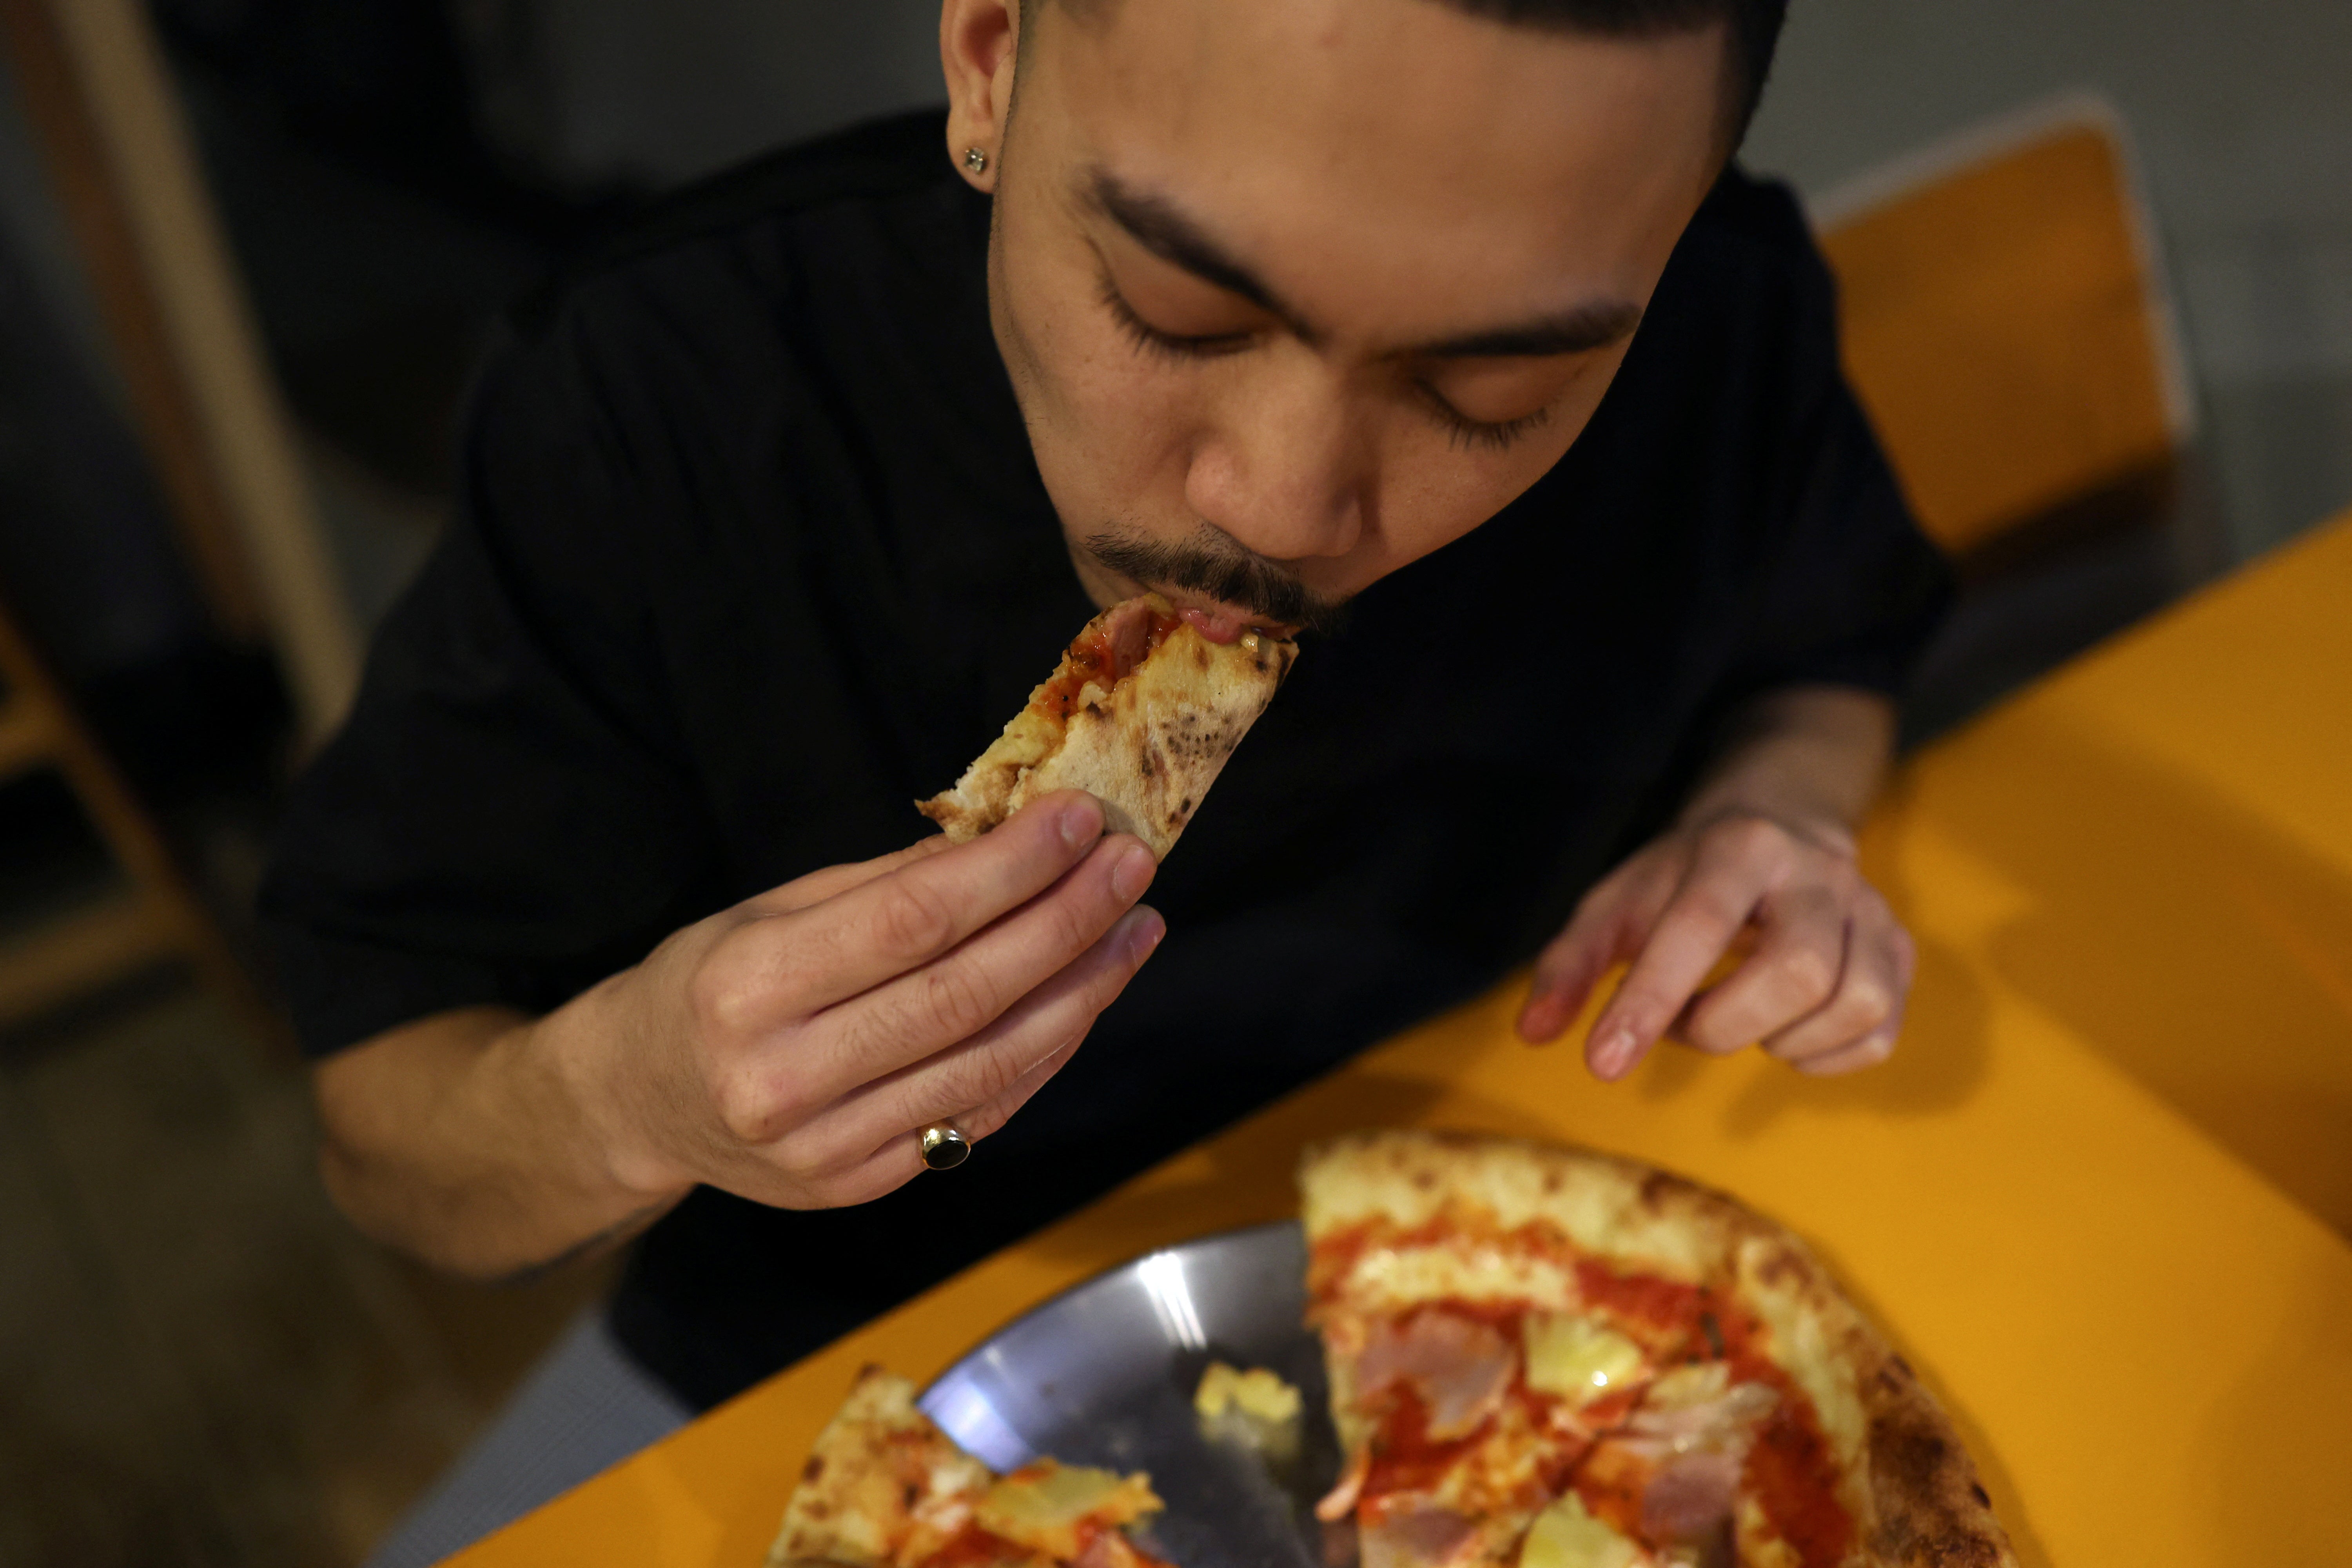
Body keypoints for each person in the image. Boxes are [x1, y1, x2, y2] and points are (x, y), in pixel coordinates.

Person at [260, 0, 1948, 1559]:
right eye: (1179, 309)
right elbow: (383, 1120)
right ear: (990, 58)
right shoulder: (659, 401)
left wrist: (1776, 808)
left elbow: (1823, 640)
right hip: (830, 1354)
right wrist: (634, 1095)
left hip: (1539, 1241)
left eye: (1484, 390)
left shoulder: (1721, 319)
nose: (1283, 504)